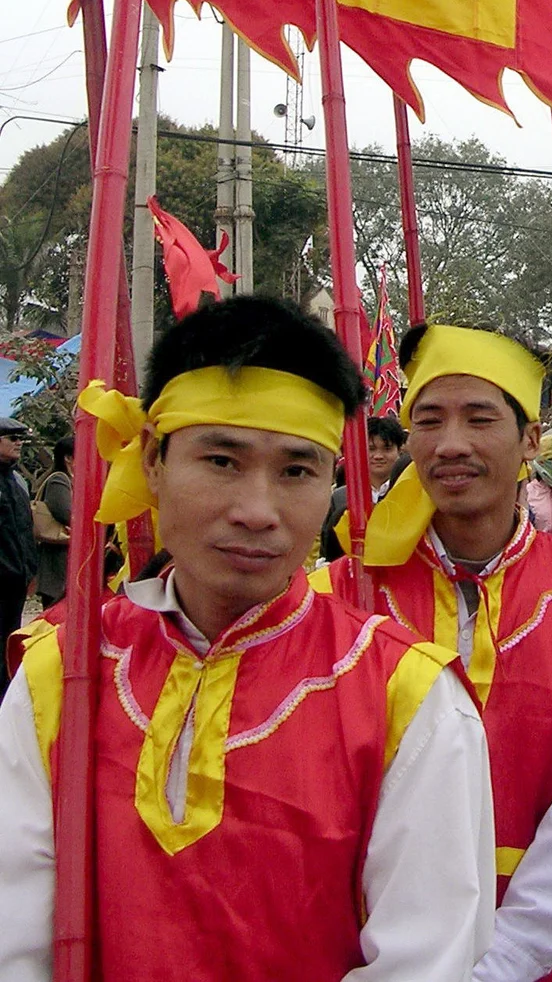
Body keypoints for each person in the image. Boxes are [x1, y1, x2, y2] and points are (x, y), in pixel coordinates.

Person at [0, 296, 494, 980]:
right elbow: (15, 935)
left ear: (332, 483)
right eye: (223, 461)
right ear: (151, 460)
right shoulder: (61, 670)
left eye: (297, 470)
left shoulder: (407, 696)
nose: (258, 512)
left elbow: (425, 959)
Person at [323, 322, 552, 982]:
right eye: (429, 420)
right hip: (367, 941)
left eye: (479, 418)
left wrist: (505, 962)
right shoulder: (341, 592)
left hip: (545, 943)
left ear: (529, 440)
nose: (451, 445)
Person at [321, 414, 405, 560]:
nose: (378, 456)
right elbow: (328, 549)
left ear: (399, 451)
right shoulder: (340, 497)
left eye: (387, 449)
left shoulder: (409, 493)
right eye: (371, 449)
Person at [0, 416, 36, 702]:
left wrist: (29, 570)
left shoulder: (17, 481)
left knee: (10, 639)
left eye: (20, 438)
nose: (19, 443)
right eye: (12, 438)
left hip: (16, 578)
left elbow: (25, 529)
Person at [33, 436, 74, 610]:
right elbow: (65, 512)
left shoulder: (69, 479)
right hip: (56, 560)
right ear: (68, 457)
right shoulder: (59, 480)